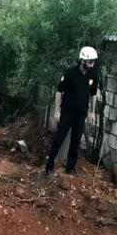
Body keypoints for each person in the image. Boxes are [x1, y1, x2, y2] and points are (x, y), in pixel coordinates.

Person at [44, 46, 99, 178]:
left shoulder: (93, 75)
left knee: (76, 142)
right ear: (82, 61)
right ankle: (49, 167)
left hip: (81, 114)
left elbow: (93, 94)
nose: (92, 64)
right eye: (90, 62)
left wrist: (92, 112)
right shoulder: (69, 73)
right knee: (59, 139)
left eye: (93, 62)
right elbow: (59, 92)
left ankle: (70, 168)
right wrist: (57, 111)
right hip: (67, 113)